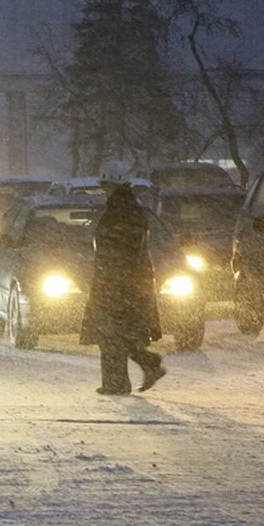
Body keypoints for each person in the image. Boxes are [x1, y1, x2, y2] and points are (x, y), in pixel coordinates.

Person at [79, 159, 166, 395]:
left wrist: (111, 281)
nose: (104, 189)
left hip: (118, 284)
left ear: (114, 185)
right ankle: (147, 366)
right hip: (129, 283)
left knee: (110, 333)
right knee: (122, 332)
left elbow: (117, 251)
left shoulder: (120, 211)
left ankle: (117, 383)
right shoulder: (129, 208)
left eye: (105, 184)